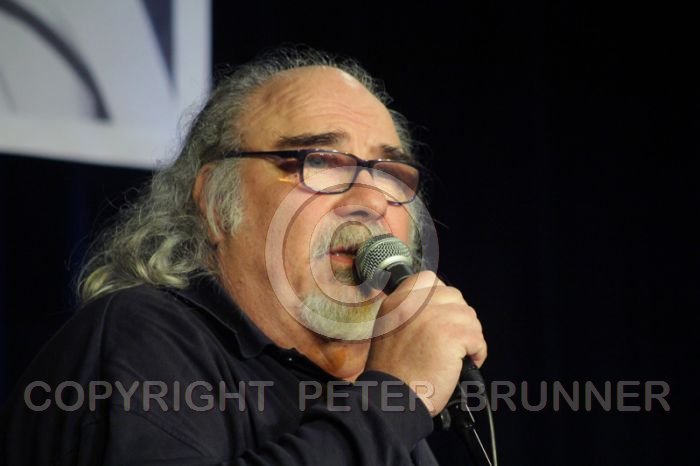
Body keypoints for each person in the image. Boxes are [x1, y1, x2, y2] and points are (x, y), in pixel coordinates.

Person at [0, 47, 487, 465]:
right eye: (319, 161)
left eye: (388, 173)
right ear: (217, 202)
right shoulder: (144, 335)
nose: (371, 199)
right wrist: (393, 400)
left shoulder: (377, 405)